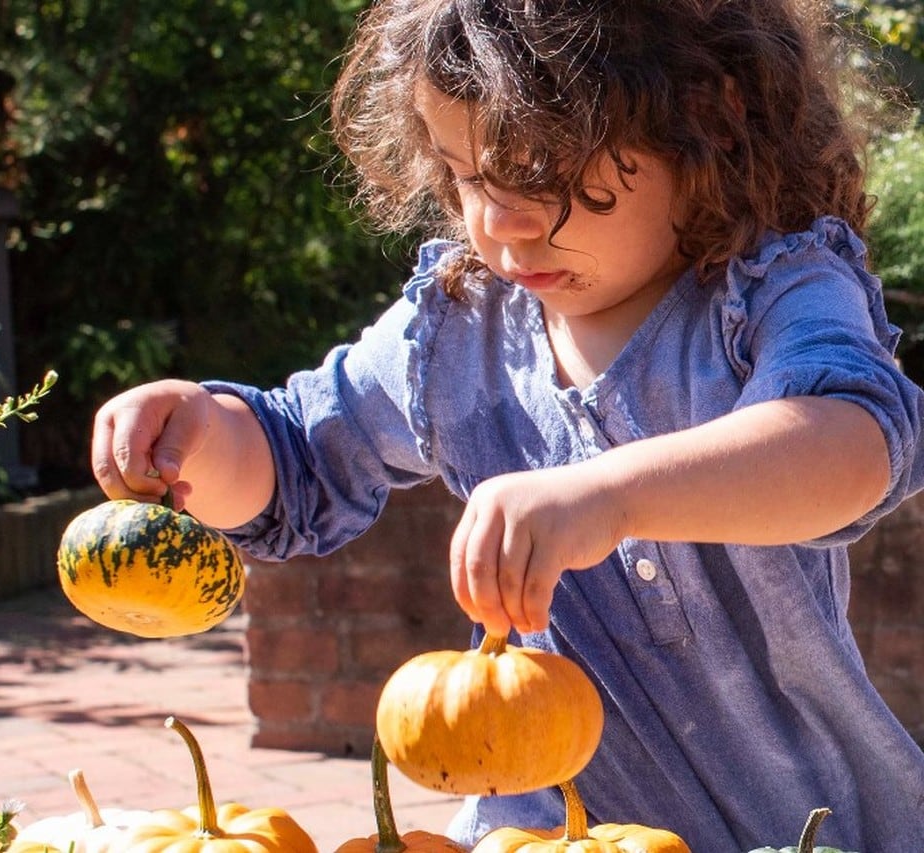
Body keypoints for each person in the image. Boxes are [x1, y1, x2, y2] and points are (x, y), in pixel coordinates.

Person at [89, 0, 924, 849]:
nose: (500, 221)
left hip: (808, 827)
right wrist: (199, 431)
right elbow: (299, 453)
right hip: (534, 831)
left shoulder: (774, 287)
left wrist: (608, 495)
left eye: (542, 170)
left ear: (708, 117)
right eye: (466, 174)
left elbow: (851, 438)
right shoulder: (458, 329)